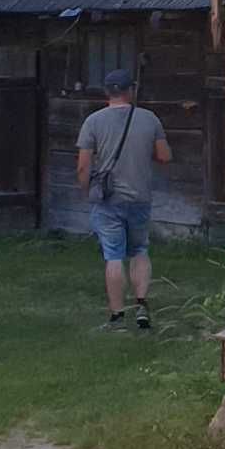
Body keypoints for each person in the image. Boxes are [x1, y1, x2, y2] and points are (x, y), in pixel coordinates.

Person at [74, 71, 172, 328]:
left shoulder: (92, 122)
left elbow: (83, 167)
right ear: (131, 90)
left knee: (114, 255)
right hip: (140, 196)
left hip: (107, 199)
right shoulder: (149, 119)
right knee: (139, 250)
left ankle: (117, 315)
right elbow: (164, 155)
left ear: (107, 92)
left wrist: (86, 192)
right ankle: (141, 305)